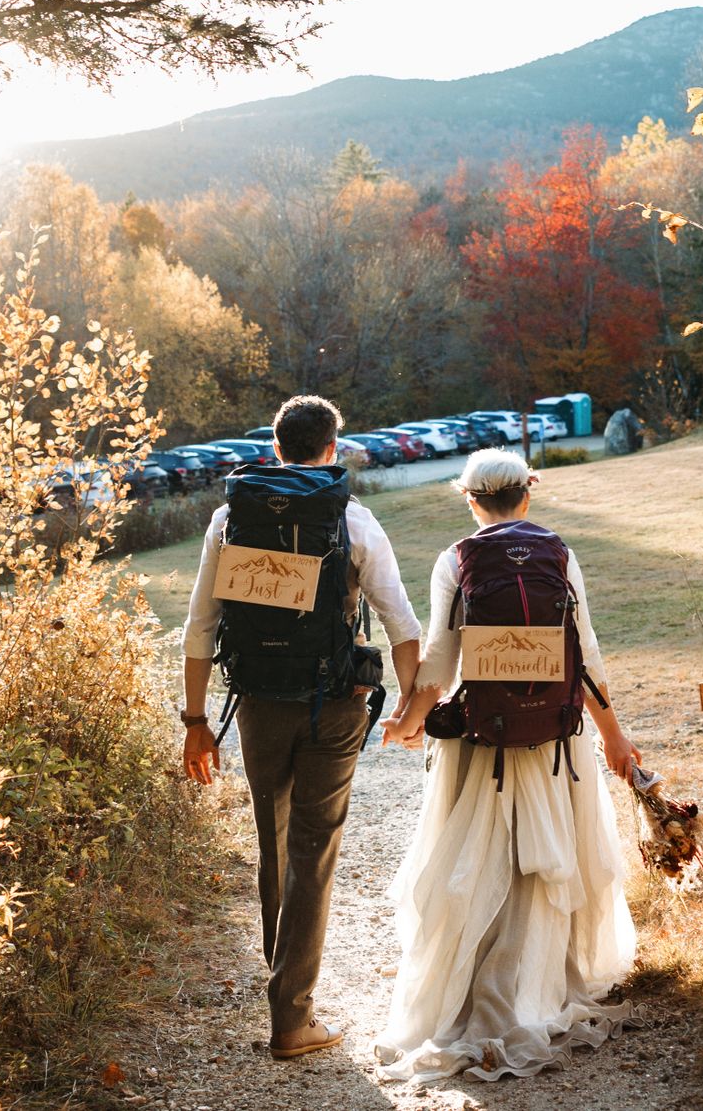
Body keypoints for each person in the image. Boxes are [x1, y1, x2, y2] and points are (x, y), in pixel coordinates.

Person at [375, 447, 640, 1082]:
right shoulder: (558, 552)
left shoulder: (455, 559)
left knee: (481, 857)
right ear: (528, 493)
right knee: (543, 861)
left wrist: (409, 721)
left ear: (470, 500)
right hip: (552, 734)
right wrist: (614, 737)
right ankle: (537, 984)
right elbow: (588, 655)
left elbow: (439, 661)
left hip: (483, 733)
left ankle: (477, 992)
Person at [180, 395, 422, 1060]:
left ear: (277, 448)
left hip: (257, 702)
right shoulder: (353, 518)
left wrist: (197, 721)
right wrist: (407, 704)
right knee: (314, 853)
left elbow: (200, 626)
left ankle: (286, 988)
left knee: (275, 843)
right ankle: (292, 1015)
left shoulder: (231, 519)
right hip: (335, 701)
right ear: (331, 449)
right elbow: (402, 621)